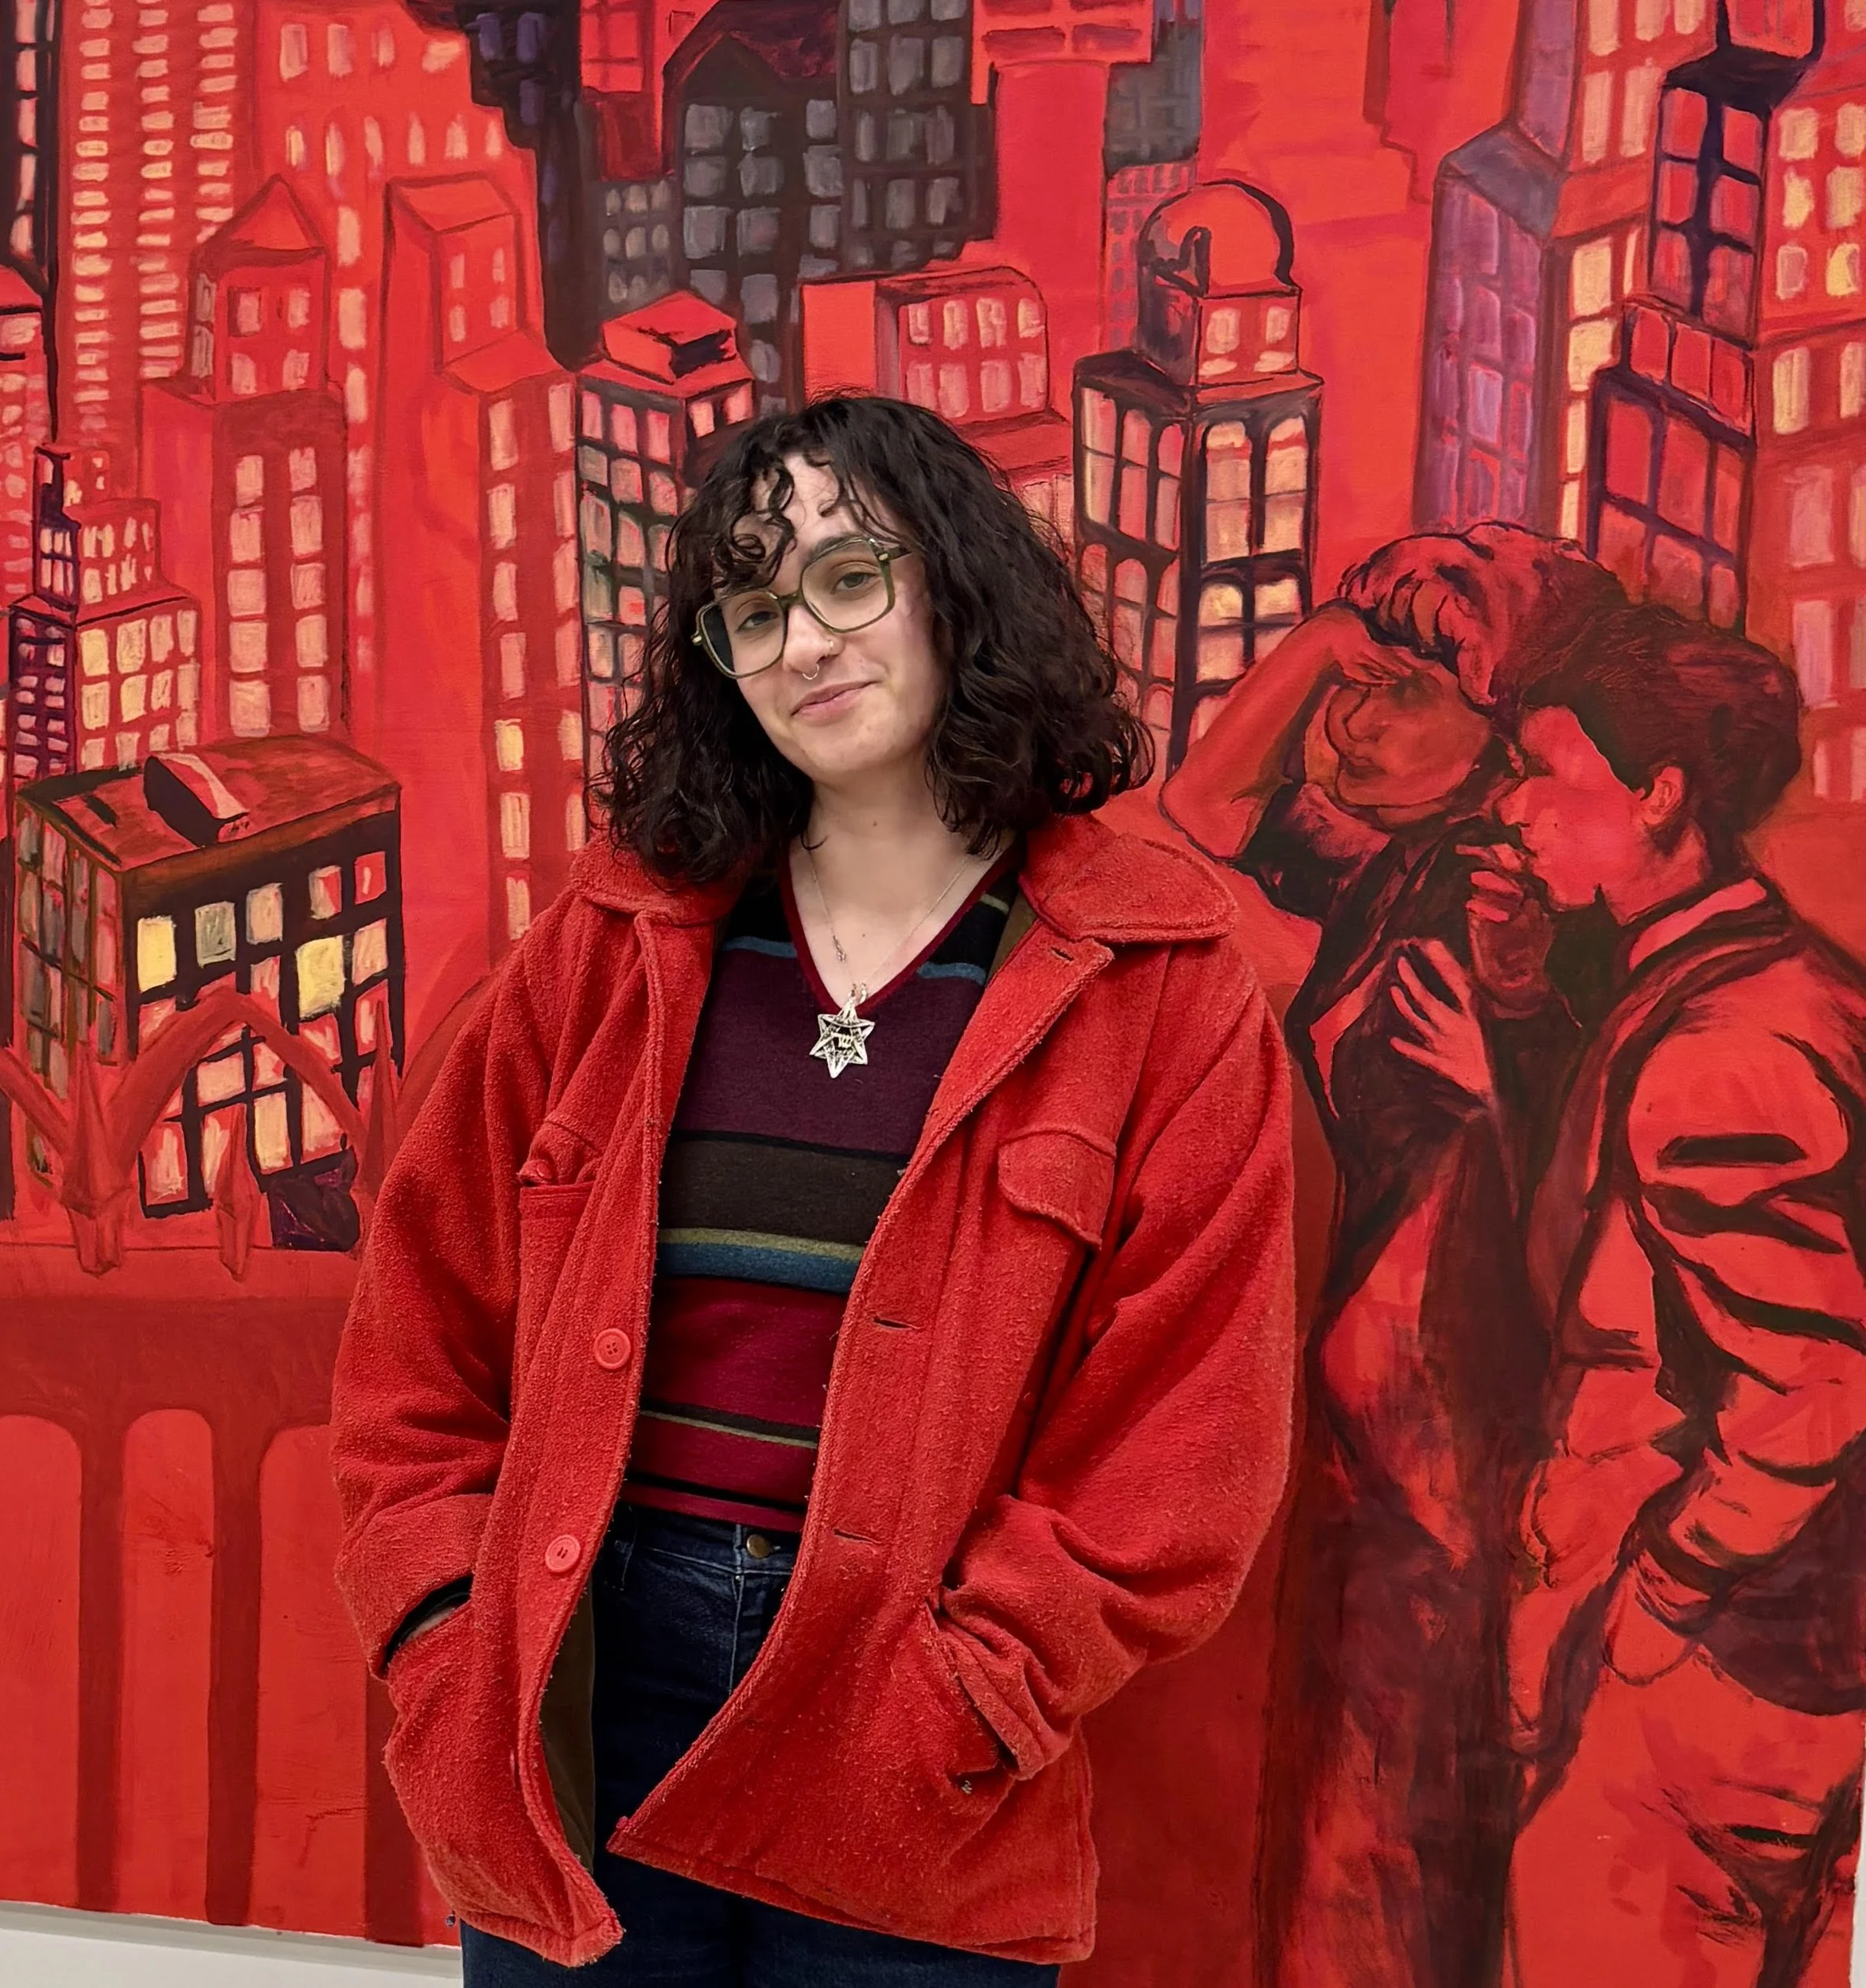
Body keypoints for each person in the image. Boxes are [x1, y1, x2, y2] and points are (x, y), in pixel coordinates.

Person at [329, 394, 1298, 1985]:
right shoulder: (612, 938)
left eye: (851, 577)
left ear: (956, 589)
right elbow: (417, 1329)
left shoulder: (1153, 977)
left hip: (906, 1743)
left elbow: (1185, 1426)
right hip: (580, 1704)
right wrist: (443, 1632)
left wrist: (975, 1690)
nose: (802, 642)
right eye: (755, 606)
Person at [1163, 523, 1620, 1988]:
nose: (1352, 718)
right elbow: (1204, 804)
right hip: (1365, 1484)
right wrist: (1337, 637)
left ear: (1514, 749)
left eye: (1404, 693)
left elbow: (1189, 879)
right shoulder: (1410, 858)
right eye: (1353, 683)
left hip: (1434, 1512)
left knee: (1370, 1886)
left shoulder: (1498, 915)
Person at [1399, 604, 1866, 1987]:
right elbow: (1650, 1230)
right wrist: (1530, 1005)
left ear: (1661, 793)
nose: (1516, 808)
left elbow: (1815, 1384)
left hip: (1708, 1687)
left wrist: (1651, 1608)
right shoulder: (1779, 983)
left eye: (1548, 771)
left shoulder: (1720, 1050)